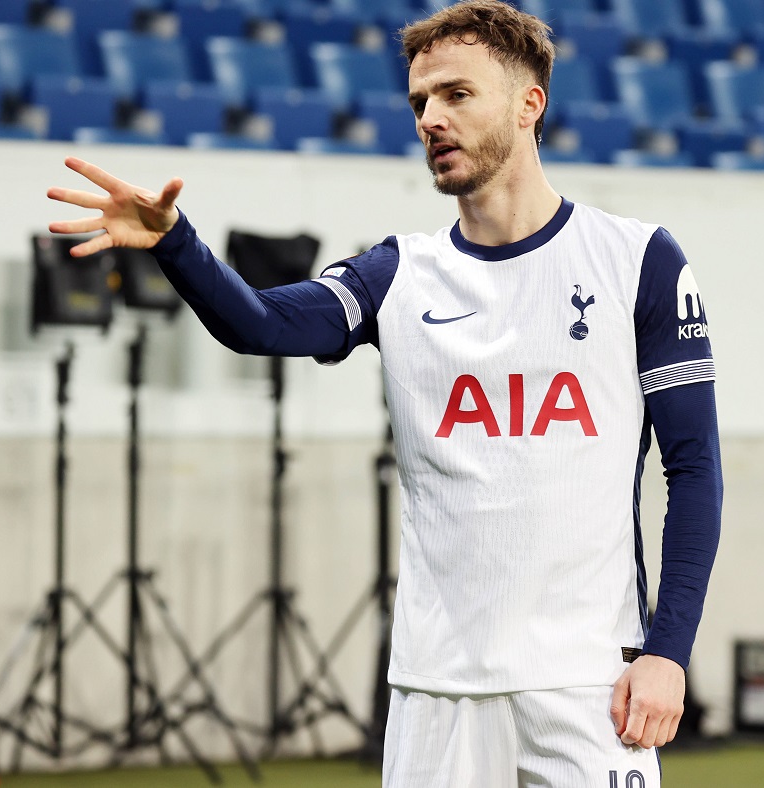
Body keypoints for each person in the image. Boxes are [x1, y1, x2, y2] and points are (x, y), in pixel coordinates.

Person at [46, 1, 722, 784]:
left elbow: (694, 469)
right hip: (435, 693)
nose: (431, 118)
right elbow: (260, 324)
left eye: (457, 94)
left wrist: (668, 652)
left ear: (529, 104)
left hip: (587, 684)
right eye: (419, 101)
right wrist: (177, 243)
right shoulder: (398, 272)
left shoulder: (638, 261)